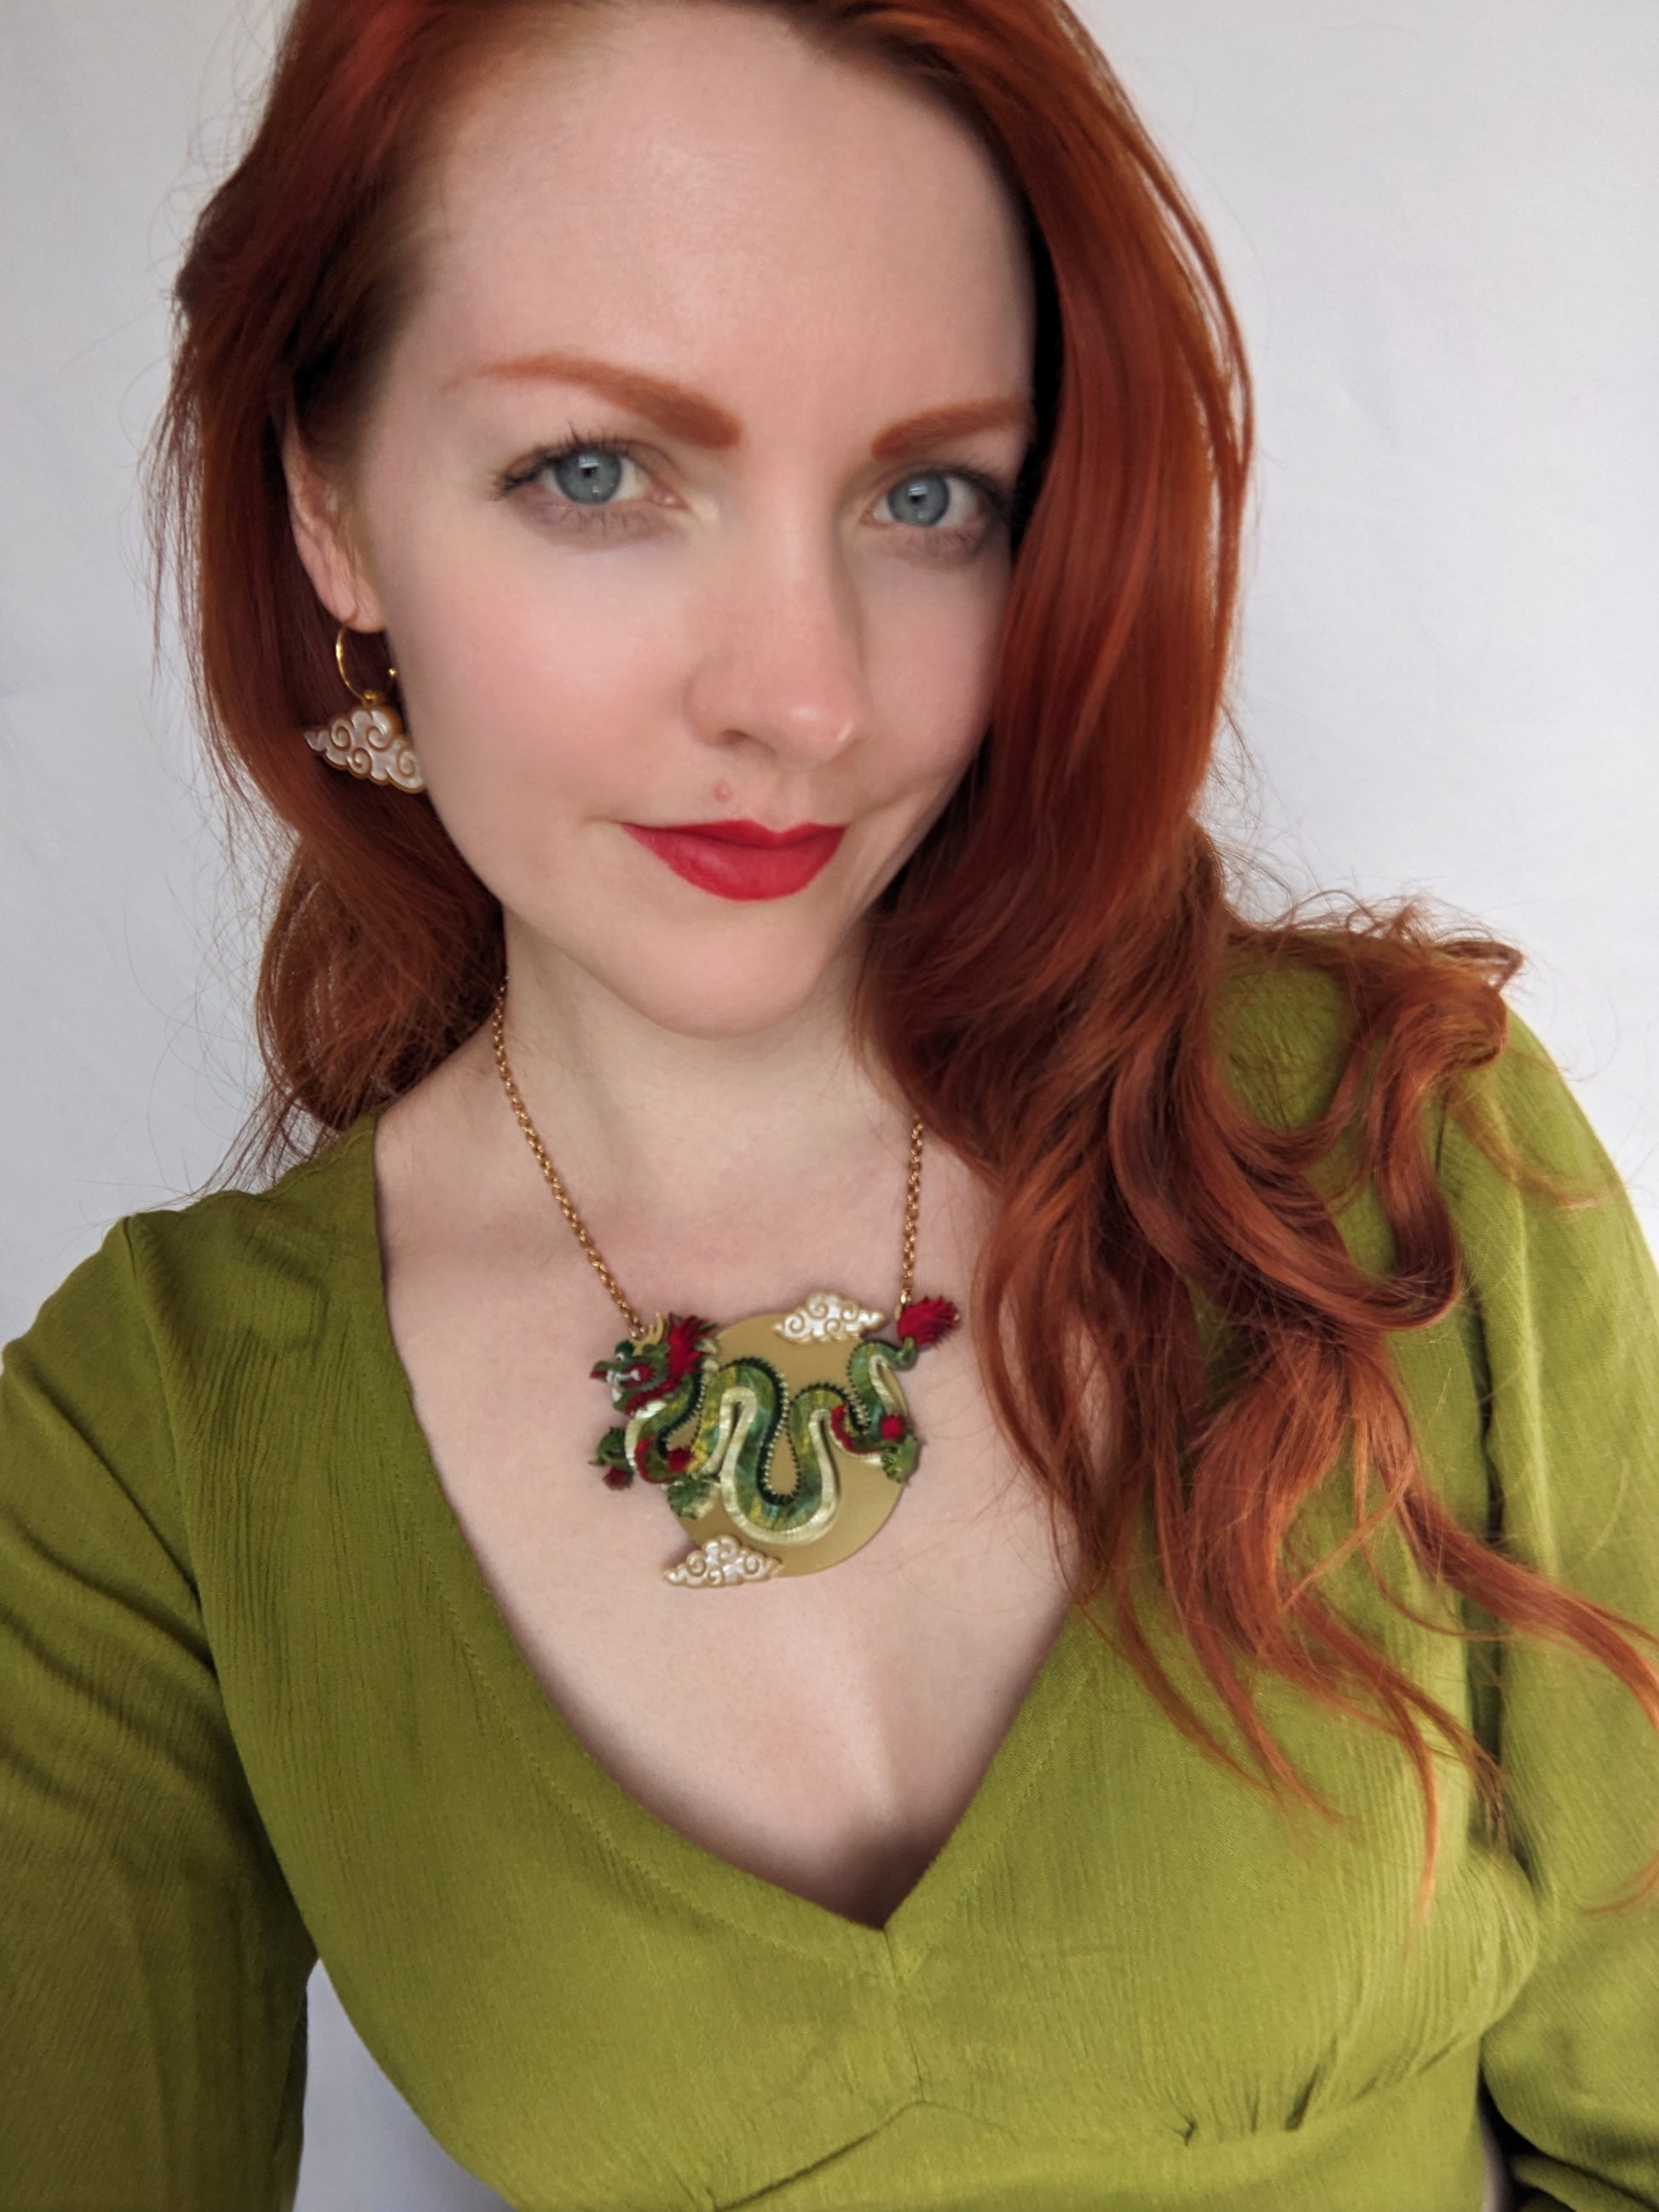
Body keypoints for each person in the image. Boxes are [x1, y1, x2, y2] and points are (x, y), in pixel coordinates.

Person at [3, 0, 1656, 2206]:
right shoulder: (145, 1453)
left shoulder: (1383, 1150)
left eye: (925, 491)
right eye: (595, 469)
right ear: (332, 510)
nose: (797, 691)